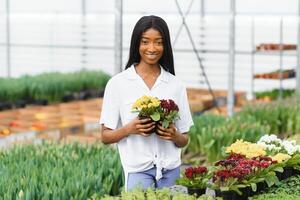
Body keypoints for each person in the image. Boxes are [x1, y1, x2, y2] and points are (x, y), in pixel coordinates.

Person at [99, 15, 194, 191]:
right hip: (137, 170)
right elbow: (105, 136)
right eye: (145, 42)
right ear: (137, 44)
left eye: (158, 42)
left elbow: (184, 139)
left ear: (165, 46)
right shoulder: (118, 83)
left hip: (170, 169)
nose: (152, 48)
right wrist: (129, 129)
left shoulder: (176, 85)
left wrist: (174, 135)